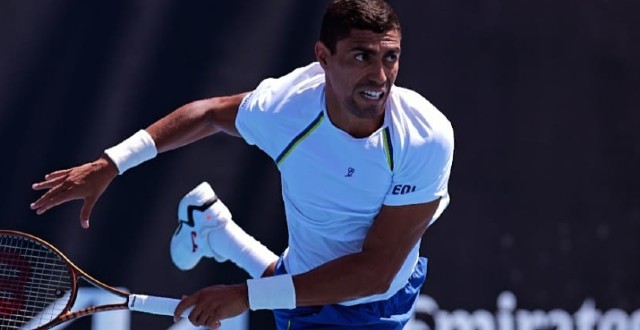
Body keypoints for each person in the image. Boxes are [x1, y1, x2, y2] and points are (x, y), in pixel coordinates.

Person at [30, 0, 454, 328]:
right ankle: (218, 232)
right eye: (362, 56)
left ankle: (218, 232)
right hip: (328, 295)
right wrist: (112, 163)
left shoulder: (424, 137)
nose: (380, 76)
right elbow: (210, 113)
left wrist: (245, 296)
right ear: (323, 57)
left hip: (386, 287)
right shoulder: (286, 110)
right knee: (307, 275)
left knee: (312, 275)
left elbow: (375, 271)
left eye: (390, 57)